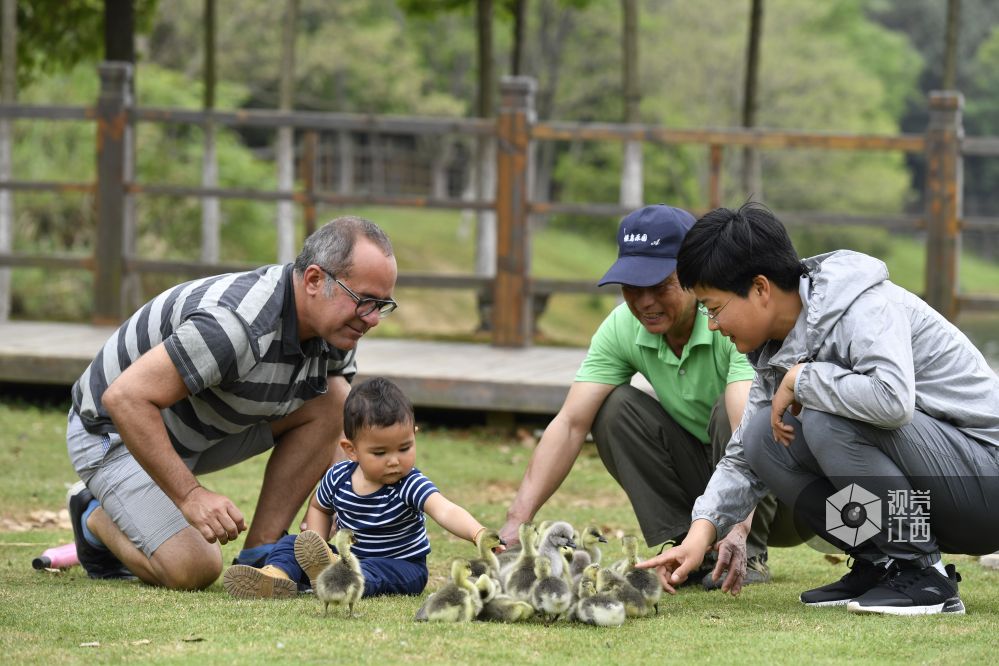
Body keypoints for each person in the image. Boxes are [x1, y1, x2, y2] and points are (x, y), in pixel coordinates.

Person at [641, 203, 999, 615]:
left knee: (828, 417)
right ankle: (880, 561)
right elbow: (743, 457)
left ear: (760, 288)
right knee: (761, 436)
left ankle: (923, 572)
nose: (713, 324)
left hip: (984, 481)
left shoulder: (864, 308)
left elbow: (892, 400)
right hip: (936, 494)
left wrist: (801, 379)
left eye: (714, 308)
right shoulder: (777, 344)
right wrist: (699, 535)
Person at [66, 216, 398, 590]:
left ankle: (261, 554)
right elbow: (124, 398)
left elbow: (336, 421)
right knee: (194, 568)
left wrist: (339, 501)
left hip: (191, 431)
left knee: (336, 397)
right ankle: (93, 517)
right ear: (314, 280)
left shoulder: (335, 327)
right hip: (112, 432)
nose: (372, 319)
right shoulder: (235, 324)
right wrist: (190, 496)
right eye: (365, 301)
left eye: (382, 305)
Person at [499, 204, 794, 591]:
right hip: (705, 487)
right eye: (632, 288)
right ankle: (685, 547)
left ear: (693, 276)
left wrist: (738, 530)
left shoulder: (732, 320)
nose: (645, 302)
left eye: (660, 286)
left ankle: (743, 551)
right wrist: (516, 523)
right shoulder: (622, 326)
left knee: (732, 410)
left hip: (779, 492)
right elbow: (570, 425)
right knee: (613, 408)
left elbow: (747, 432)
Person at [222, 376, 493, 599]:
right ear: (351, 450)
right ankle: (276, 576)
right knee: (288, 543)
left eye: (405, 448)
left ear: (415, 436)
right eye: (379, 452)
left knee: (372, 570)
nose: (394, 461)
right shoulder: (338, 476)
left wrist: (477, 533)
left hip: (402, 567)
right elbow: (319, 506)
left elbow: (444, 510)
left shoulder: (409, 483)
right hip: (344, 557)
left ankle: (340, 581)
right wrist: (315, 544)